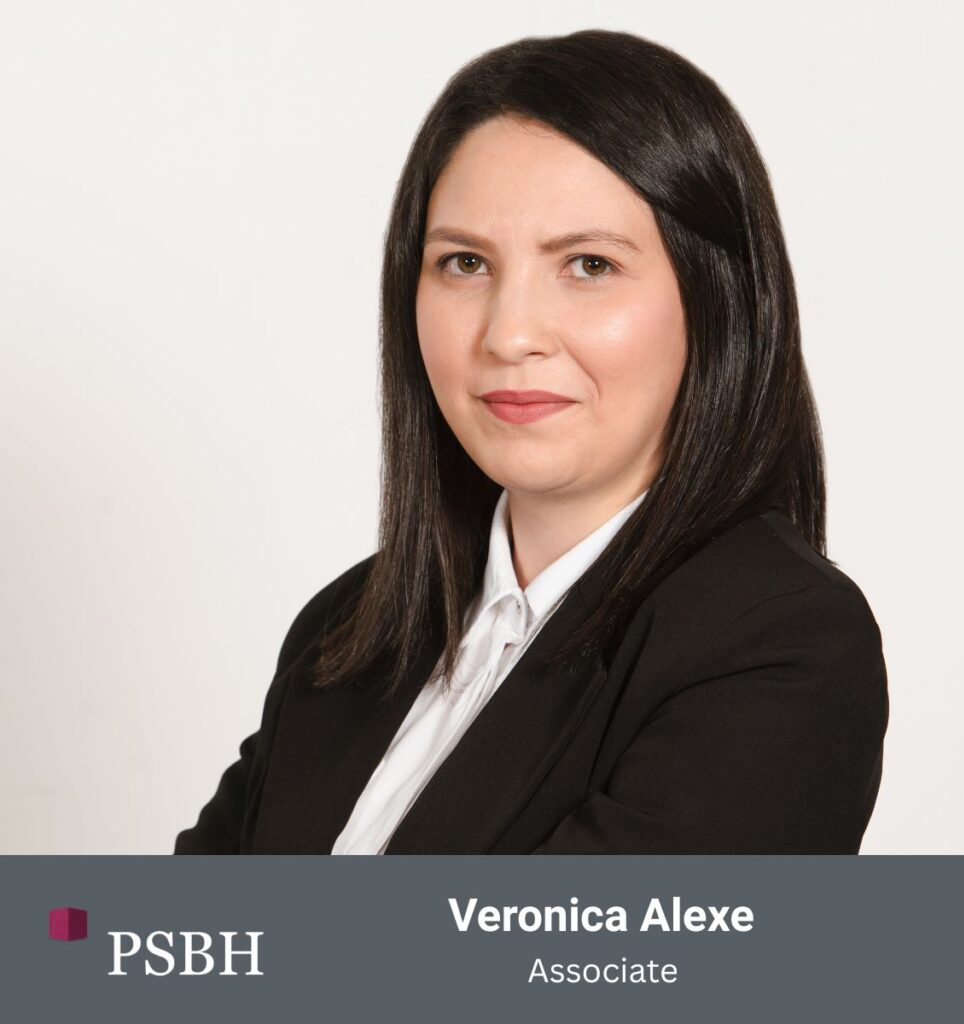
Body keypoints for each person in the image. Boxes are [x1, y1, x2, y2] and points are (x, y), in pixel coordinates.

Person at [174, 28, 889, 855]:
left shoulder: (779, 646)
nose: (509, 334)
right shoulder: (348, 627)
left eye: (589, 266)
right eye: (465, 263)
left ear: (717, 302)